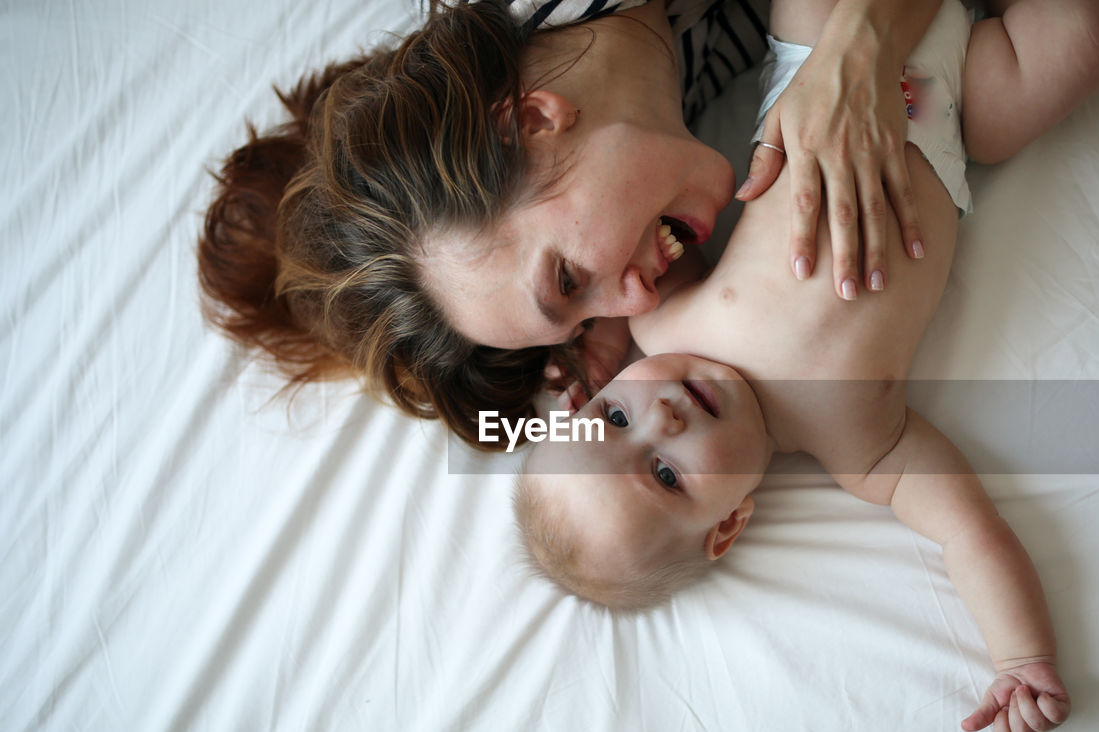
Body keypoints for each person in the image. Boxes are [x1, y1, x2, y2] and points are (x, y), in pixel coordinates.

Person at [515, 0, 1099, 732]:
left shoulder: (665, 320)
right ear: (728, 523)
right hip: (944, 111)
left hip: (821, 64)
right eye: (668, 475)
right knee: (1084, 42)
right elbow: (968, 531)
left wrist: (589, 338)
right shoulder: (862, 446)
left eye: (614, 418)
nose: (661, 420)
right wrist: (1022, 653)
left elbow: (635, 245)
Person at [198, 0, 953, 448]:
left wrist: (860, 43)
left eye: (566, 277)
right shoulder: (642, 82)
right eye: (583, 312)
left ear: (532, 118)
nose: (639, 304)